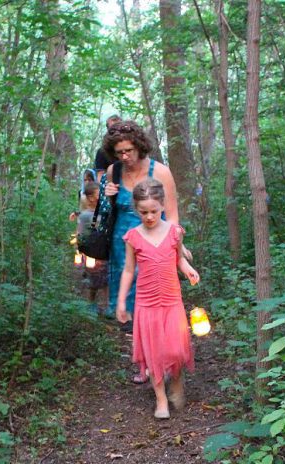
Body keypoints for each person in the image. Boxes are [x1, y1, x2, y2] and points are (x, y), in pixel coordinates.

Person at [99, 119, 184, 383]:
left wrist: (179, 250)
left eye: (129, 151)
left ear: (139, 146)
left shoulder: (160, 172)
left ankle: (165, 359)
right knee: (135, 308)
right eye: (119, 152)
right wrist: (107, 194)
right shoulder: (114, 171)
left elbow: (172, 216)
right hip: (123, 246)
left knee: (157, 306)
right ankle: (145, 361)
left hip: (157, 249)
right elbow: (103, 212)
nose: (125, 157)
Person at [116, 179, 199, 419]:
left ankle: (176, 382)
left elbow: (178, 258)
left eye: (154, 211)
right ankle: (161, 400)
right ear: (136, 210)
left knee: (176, 350)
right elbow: (129, 270)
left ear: (162, 205)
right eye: (143, 212)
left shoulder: (174, 232)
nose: (149, 216)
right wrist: (122, 301)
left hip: (172, 300)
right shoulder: (133, 237)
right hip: (147, 303)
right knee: (154, 355)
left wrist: (188, 269)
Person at [76, 182, 109, 316]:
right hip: (91, 253)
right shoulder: (85, 216)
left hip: (104, 251)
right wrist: (81, 252)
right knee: (93, 279)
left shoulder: (105, 213)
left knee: (107, 278)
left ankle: (108, 306)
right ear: (90, 198)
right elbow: (80, 234)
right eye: (98, 194)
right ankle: (91, 303)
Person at [94, 114, 122, 182]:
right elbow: (100, 175)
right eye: (113, 129)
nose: (116, 132)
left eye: (119, 127)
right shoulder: (102, 152)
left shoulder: (131, 148)